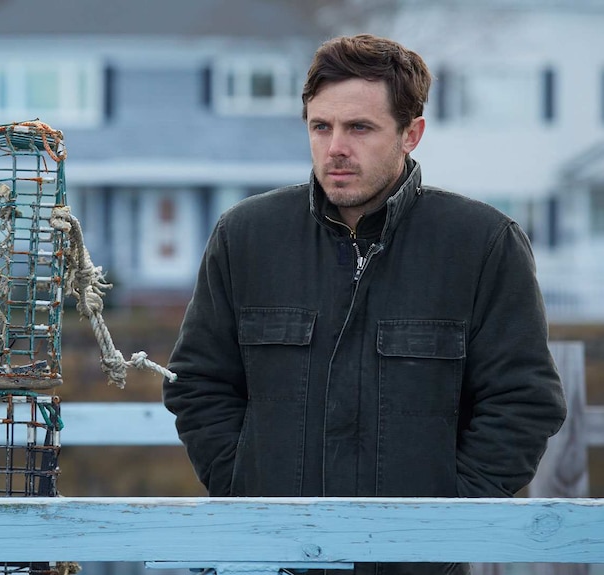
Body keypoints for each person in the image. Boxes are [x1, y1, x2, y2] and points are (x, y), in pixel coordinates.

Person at [162, 34, 567, 575]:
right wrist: (243, 486)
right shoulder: (246, 236)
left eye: (359, 127)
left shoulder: (481, 244)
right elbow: (198, 383)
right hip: (268, 556)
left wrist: (445, 525)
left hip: (417, 564)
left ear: (411, 134)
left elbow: (523, 401)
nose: (335, 148)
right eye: (320, 126)